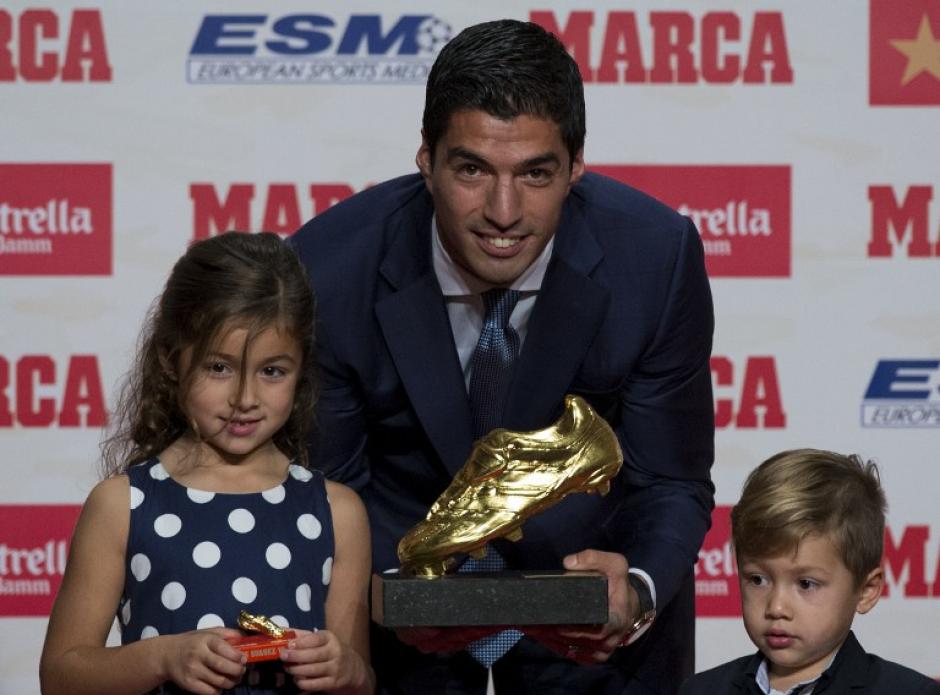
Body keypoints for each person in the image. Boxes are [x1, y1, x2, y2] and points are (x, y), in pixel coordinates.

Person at [291, 18, 715, 695]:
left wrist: (633, 587)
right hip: (397, 644)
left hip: (596, 651)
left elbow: (671, 481)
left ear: (577, 166)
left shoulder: (654, 260)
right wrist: (386, 597)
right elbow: (332, 489)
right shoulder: (328, 269)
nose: (504, 211)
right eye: (472, 170)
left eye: (537, 173)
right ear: (426, 158)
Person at [39, 232, 374, 695]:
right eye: (219, 367)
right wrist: (162, 656)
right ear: (171, 359)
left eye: (272, 371)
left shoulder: (337, 513)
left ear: (302, 370)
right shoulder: (124, 506)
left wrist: (349, 672)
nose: (244, 399)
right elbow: (61, 677)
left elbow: (357, 679)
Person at [680, 449, 940, 694]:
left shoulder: (908, 691)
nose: (777, 607)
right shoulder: (702, 689)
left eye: (806, 584)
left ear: (866, 590)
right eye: (758, 579)